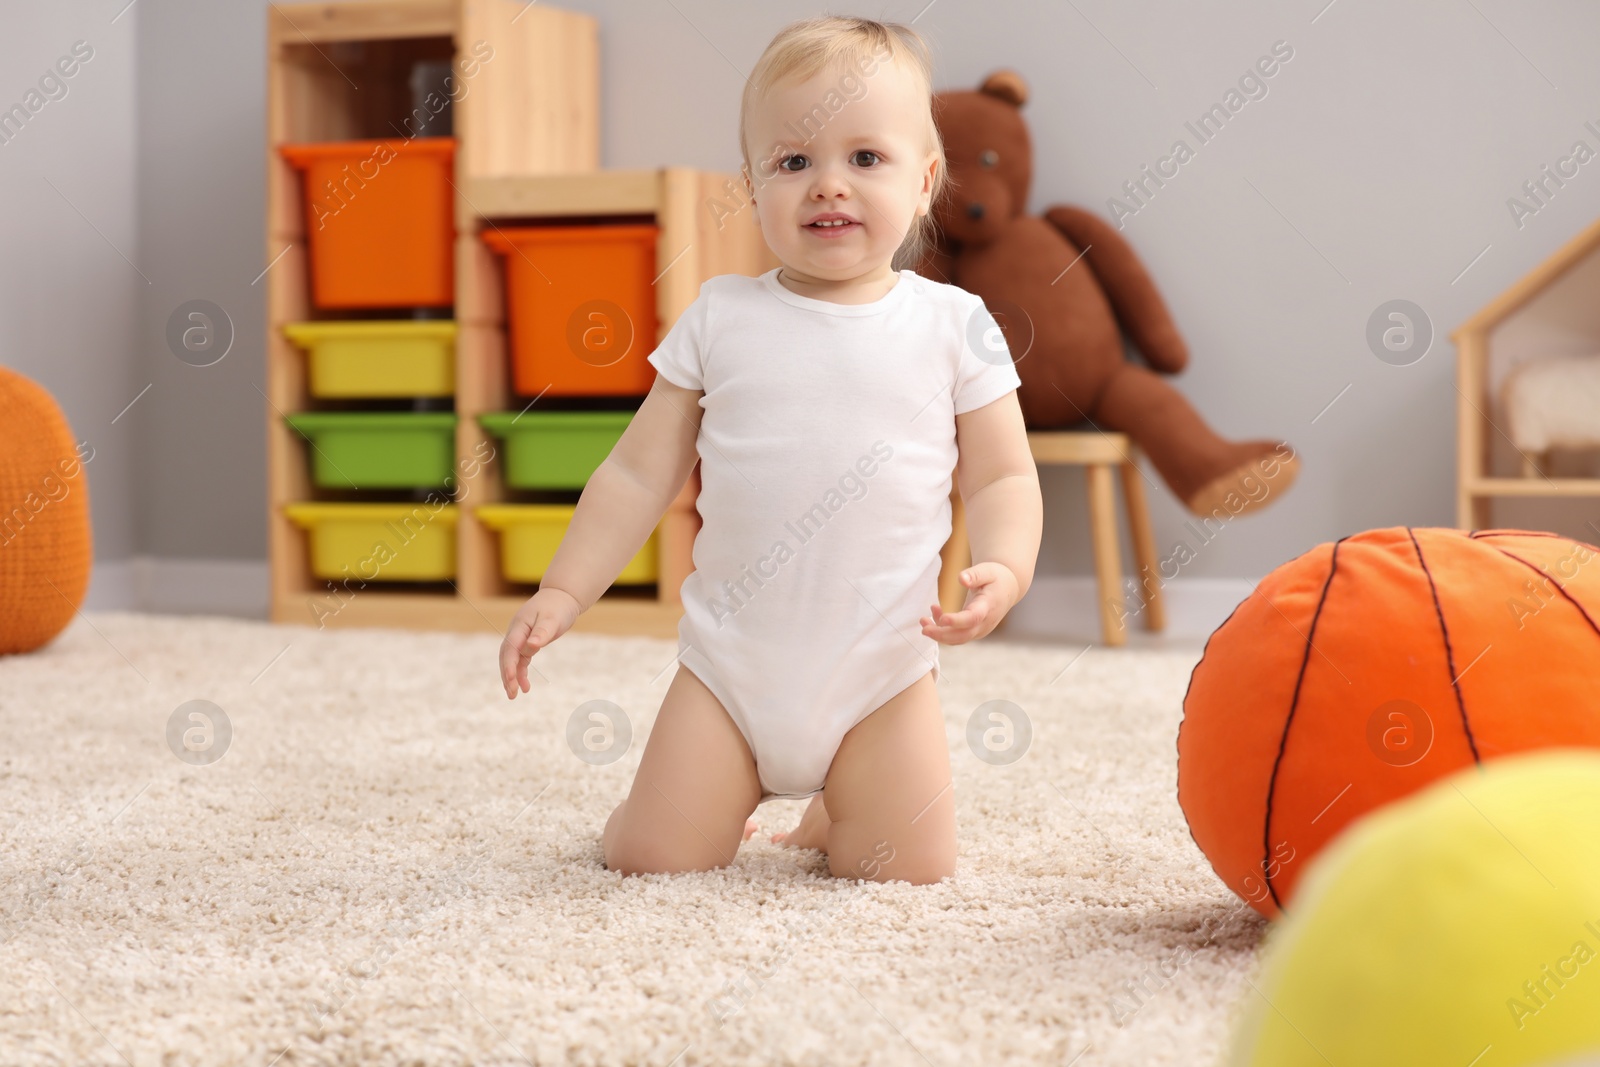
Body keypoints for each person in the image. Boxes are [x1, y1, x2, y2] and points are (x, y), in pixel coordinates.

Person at [497, 15, 1042, 885]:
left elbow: (1006, 472)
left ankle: (838, 803)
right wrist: (564, 589)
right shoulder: (721, 316)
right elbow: (638, 472)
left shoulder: (952, 326)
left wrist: (1007, 568)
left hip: (883, 679)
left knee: (905, 869)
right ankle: (654, 805)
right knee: (652, 858)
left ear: (925, 179)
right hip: (730, 674)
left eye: (865, 158)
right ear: (752, 186)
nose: (828, 185)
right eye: (794, 162)